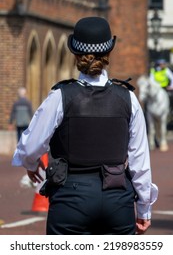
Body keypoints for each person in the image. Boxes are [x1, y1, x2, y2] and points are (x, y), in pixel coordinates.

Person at [12, 16, 158, 235]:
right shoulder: (128, 98)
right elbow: (140, 162)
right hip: (117, 199)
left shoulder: (60, 96)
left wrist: (31, 164)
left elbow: (31, 145)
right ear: (109, 53)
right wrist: (144, 210)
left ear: (75, 55)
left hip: (70, 199)